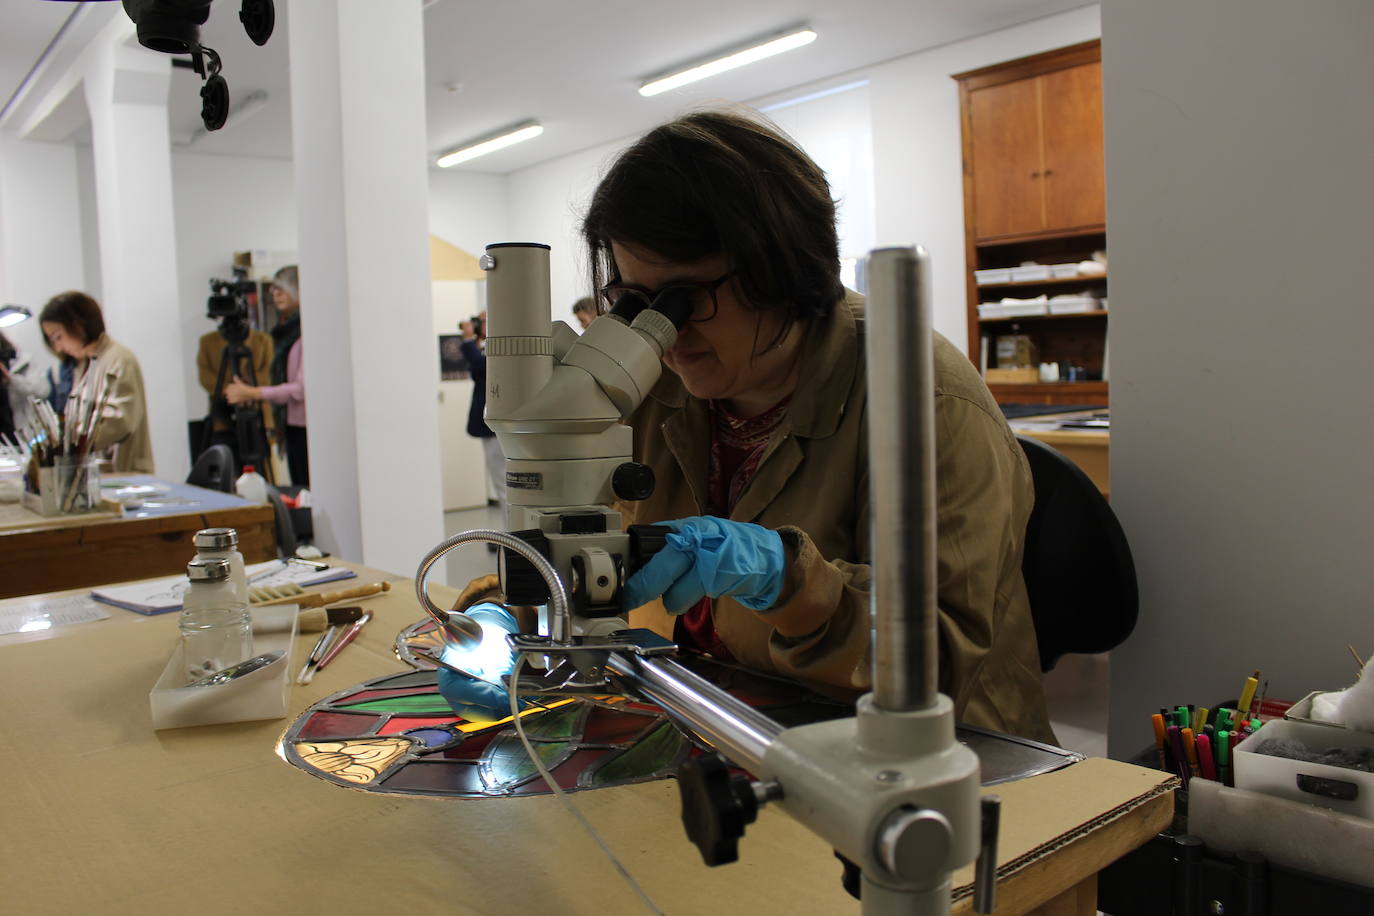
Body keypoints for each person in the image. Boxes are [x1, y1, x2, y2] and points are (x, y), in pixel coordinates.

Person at [441, 110, 1055, 744]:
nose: (665, 329)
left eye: (687, 295)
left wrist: (785, 578)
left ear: (784, 269)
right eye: (634, 298)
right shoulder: (655, 380)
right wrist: (508, 616)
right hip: (727, 723)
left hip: (925, 761)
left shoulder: (921, 394)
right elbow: (588, 541)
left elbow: (937, 661)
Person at [39, 291, 154, 473]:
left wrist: (69, 443)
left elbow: (118, 421)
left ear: (79, 325)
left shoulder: (118, 359)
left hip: (124, 474)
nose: (58, 347)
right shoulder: (88, 362)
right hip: (103, 474)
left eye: (58, 337)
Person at [225, 266, 307, 487]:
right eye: (274, 289)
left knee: (306, 488)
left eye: (282, 288)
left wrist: (254, 393)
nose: (275, 294)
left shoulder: (306, 332)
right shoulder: (282, 334)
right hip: (291, 423)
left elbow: (300, 389)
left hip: (305, 426)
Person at [196, 319, 275, 472]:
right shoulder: (207, 341)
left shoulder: (263, 340)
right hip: (222, 415)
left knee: (259, 468)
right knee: (225, 466)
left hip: (256, 416)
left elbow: (268, 374)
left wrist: (246, 390)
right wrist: (232, 392)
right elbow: (206, 378)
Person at [457, 312, 504, 528]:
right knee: (502, 485)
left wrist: (468, 340)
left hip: (495, 427)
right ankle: (509, 533)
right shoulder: (489, 346)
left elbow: (479, 367)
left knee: (503, 486)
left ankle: (512, 536)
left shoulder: (500, 346)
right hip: (494, 426)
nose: (478, 324)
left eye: (483, 320)